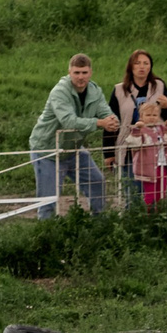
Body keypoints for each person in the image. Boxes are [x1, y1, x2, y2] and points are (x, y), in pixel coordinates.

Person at [28, 53, 115, 216]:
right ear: (69, 72)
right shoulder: (59, 92)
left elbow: (105, 112)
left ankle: (100, 224)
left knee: (97, 182)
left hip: (73, 148)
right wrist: (99, 123)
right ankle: (46, 236)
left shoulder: (95, 91)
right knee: (48, 201)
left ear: (90, 73)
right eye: (76, 73)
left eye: (84, 73)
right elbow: (69, 121)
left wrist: (112, 121)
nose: (80, 77)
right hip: (48, 150)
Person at [111, 49, 167, 205]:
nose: (142, 67)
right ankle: (132, 226)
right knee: (132, 196)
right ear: (131, 67)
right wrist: (108, 154)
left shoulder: (159, 86)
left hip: (153, 149)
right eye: (137, 63)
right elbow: (112, 121)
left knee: (154, 196)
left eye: (146, 63)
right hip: (128, 148)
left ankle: (154, 225)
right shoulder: (119, 90)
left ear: (150, 67)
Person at [125, 96, 167, 208]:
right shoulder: (140, 130)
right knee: (150, 193)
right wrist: (137, 130)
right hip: (148, 167)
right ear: (141, 117)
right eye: (148, 115)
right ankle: (150, 214)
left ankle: (160, 213)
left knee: (162, 191)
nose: (151, 118)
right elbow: (134, 144)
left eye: (154, 115)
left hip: (162, 165)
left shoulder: (161, 129)